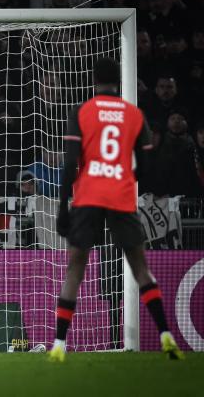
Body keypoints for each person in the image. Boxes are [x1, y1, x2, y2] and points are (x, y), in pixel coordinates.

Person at [51, 58, 184, 362]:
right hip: (122, 196)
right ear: (118, 82)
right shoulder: (135, 115)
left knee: (75, 269)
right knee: (140, 268)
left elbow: (70, 162)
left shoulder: (82, 111)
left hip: (88, 196)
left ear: (94, 80)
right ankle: (165, 336)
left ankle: (59, 345)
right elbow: (147, 162)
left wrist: (62, 207)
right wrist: (125, 178)